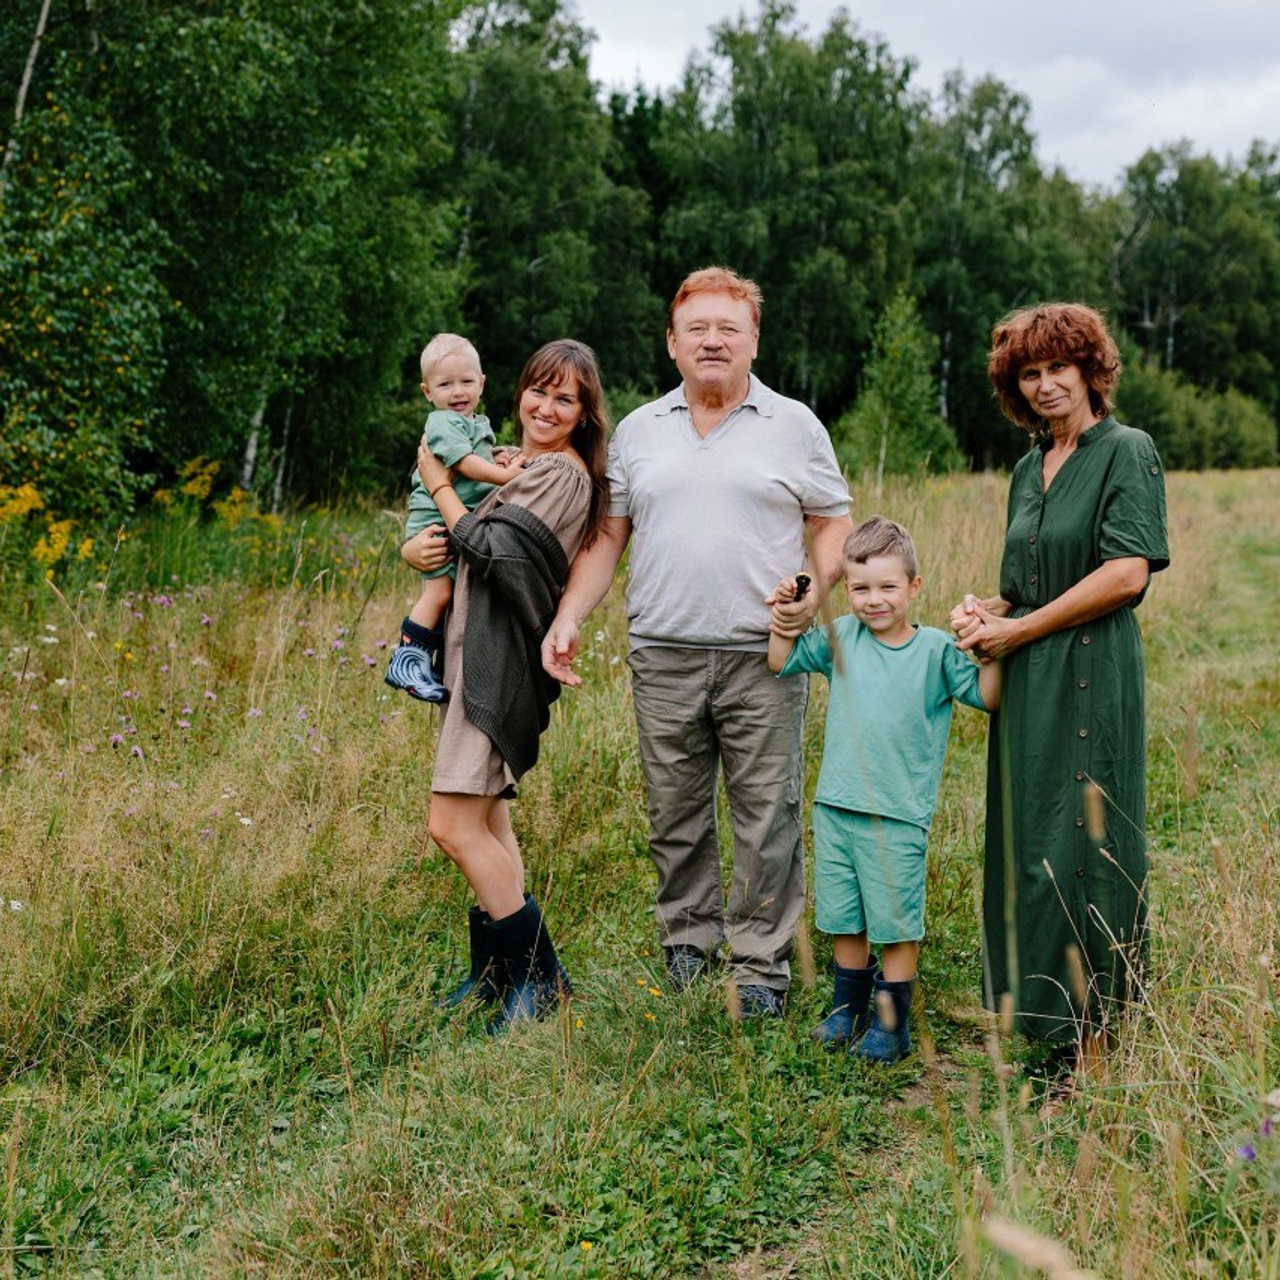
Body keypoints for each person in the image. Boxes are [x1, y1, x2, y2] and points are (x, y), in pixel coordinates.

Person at [541, 267, 852, 1018]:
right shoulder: (641, 432)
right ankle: (688, 943)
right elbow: (609, 537)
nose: (713, 340)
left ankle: (760, 968)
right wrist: (570, 616)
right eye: (698, 329)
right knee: (674, 809)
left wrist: (814, 590)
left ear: (753, 340)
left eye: (729, 328)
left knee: (765, 812)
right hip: (663, 651)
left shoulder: (796, 425)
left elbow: (833, 521)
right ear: (673, 344)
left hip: (763, 654)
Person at [950, 302, 1169, 1070]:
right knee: (1033, 838)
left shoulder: (1126, 450)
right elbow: (1028, 581)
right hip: (1030, 675)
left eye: (1057, 368)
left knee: (1091, 839)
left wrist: (1020, 628)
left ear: (1090, 370)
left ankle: (1100, 1037)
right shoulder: (1025, 469)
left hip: (1091, 671)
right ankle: (1044, 1016)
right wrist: (988, 611)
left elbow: (1123, 572)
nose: (1045, 385)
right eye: (1029, 373)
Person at [415, 339, 610, 1033]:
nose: (547, 407)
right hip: (474, 655)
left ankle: (539, 978)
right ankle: (497, 973)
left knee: (451, 823)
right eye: (539, 390)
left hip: (497, 664)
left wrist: (436, 481)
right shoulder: (513, 464)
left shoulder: (563, 476)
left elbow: (493, 552)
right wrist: (419, 539)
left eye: (566, 399)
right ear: (519, 389)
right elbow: (450, 544)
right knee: (489, 816)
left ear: (585, 414)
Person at [769, 517, 999, 1061]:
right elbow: (780, 660)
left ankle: (891, 1023)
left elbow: (987, 698)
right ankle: (847, 1010)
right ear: (846, 589)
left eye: (888, 587)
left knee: (894, 920)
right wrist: (784, 617)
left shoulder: (937, 652)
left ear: (915, 587)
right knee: (844, 916)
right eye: (860, 588)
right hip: (836, 806)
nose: (874, 600)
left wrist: (993, 648)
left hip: (897, 812)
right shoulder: (841, 637)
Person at [387, 333, 523, 703]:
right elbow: (463, 463)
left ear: (482, 383)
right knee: (440, 591)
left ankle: (423, 662)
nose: (457, 391)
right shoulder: (442, 422)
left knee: (453, 594)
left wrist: (496, 460)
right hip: (433, 520)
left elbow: (475, 459)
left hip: (452, 518)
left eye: (466, 381)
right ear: (427, 391)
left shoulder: (476, 423)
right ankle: (406, 659)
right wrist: (506, 476)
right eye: (445, 384)